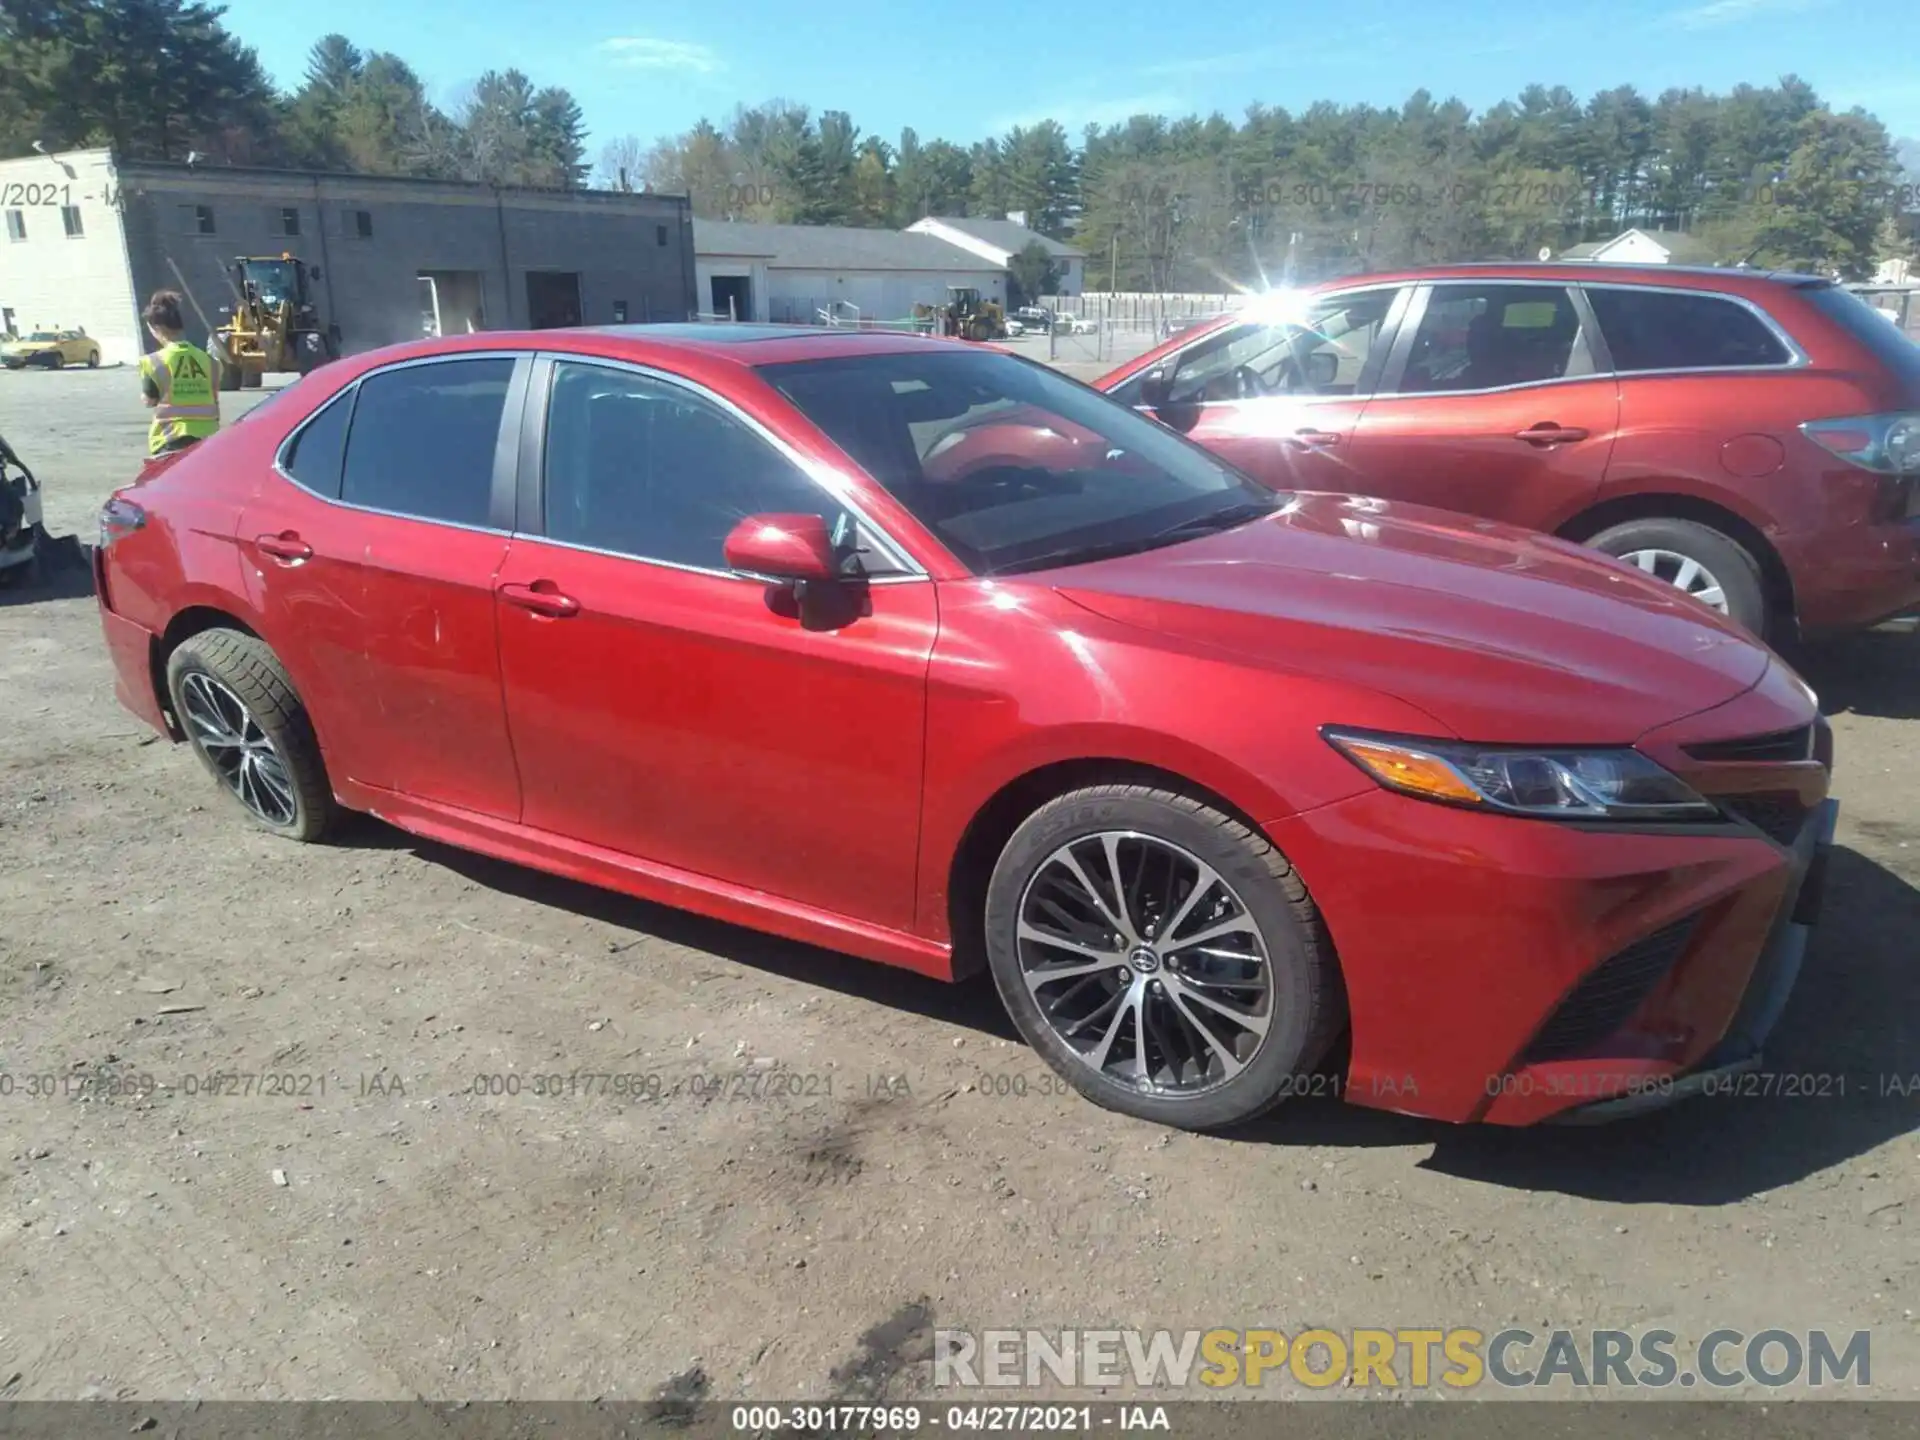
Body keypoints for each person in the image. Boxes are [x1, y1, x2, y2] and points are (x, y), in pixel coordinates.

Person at [139, 290, 220, 457]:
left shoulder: (154, 361)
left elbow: (150, 400)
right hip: (208, 440)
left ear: (157, 328)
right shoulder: (210, 362)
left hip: (170, 440)